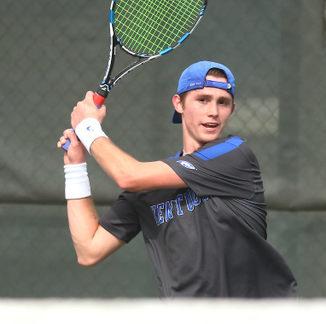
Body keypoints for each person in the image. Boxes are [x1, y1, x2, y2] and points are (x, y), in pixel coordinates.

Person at [57, 60, 298, 298]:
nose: (213, 111)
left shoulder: (235, 155)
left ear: (231, 109)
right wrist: (75, 166)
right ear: (178, 103)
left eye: (222, 102)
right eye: (202, 100)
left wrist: (89, 127)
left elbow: (128, 176)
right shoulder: (149, 189)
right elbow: (89, 250)